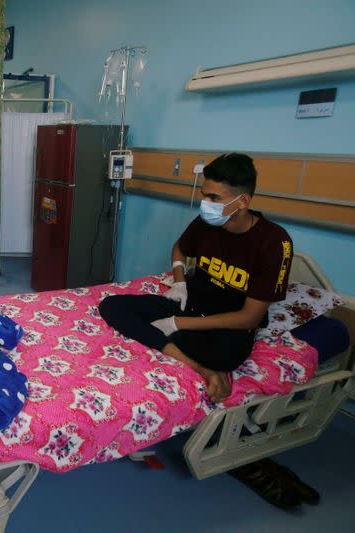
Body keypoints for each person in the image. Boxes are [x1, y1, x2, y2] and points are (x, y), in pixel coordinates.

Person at [99, 153, 293, 402]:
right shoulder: (206, 224)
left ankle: (183, 352)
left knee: (225, 356)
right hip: (190, 305)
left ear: (242, 201)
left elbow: (249, 317)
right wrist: (180, 282)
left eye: (214, 197)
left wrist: (176, 324)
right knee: (112, 306)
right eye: (204, 195)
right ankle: (201, 368)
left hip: (226, 325)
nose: (206, 203)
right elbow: (180, 247)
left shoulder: (275, 243)